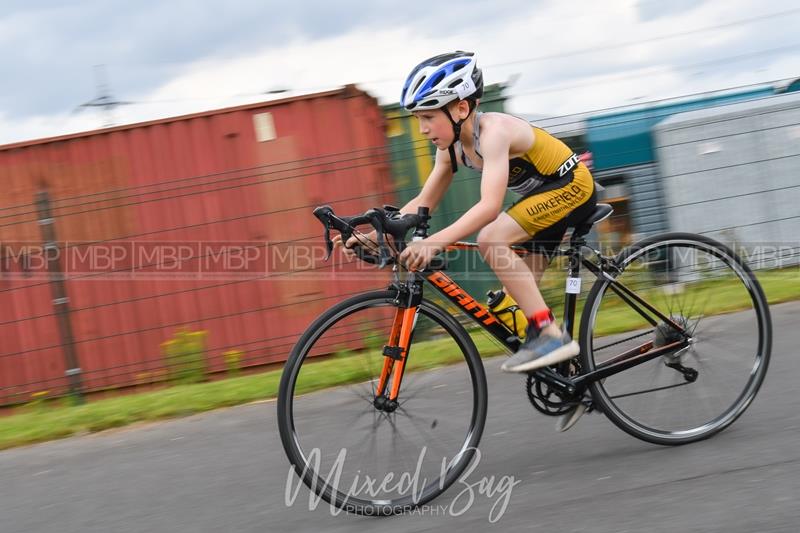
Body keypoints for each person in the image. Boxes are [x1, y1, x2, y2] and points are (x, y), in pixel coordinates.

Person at [337, 51, 597, 430]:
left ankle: (551, 337)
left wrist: (433, 243)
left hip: (571, 188)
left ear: (460, 108)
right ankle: (572, 381)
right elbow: (421, 204)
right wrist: (378, 235)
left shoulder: (494, 133)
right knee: (509, 307)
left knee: (492, 238)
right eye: (418, 119)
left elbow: (490, 207)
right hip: (541, 202)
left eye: (428, 117)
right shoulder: (452, 149)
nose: (423, 128)